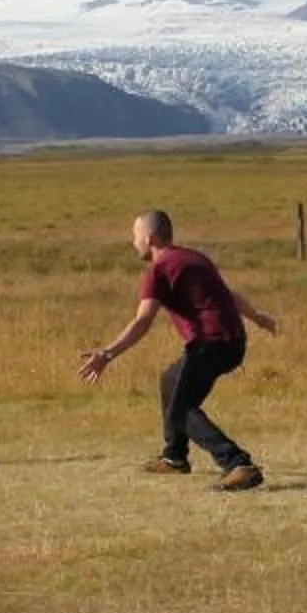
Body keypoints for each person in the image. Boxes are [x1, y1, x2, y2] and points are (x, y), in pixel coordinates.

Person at [78, 208, 279, 491]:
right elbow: (227, 294)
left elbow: (143, 320)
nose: (132, 242)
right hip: (233, 343)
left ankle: (237, 463)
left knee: (181, 409)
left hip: (210, 344)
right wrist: (257, 317)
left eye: (134, 236)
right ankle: (174, 457)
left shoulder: (158, 271)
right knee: (170, 381)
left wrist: (107, 354)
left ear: (149, 238)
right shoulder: (194, 259)